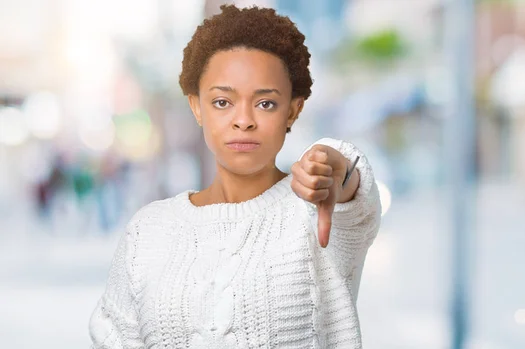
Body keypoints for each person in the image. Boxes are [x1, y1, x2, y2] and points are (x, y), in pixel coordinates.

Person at [89, 4, 381, 348]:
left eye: (266, 103)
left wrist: (333, 166)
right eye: (223, 102)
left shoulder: (316, 214)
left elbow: (350, 187)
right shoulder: (146, 231)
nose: (243, 120)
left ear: (294, 108)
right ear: (196, 106)